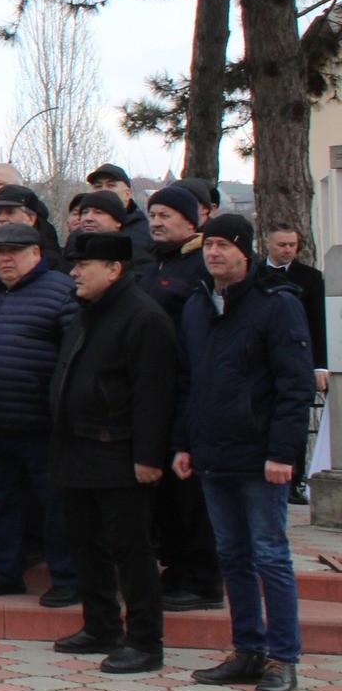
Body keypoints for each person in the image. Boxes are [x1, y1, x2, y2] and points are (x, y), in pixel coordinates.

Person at [173, 214, 312, 691]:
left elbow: (295, 385)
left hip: (261, 458)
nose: (213, 253)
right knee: (231, 555)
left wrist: (283, 452)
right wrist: (184, 443)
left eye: (224, 246)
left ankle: (282, 658)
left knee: (270, 555)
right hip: (213, 453)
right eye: (208, 245)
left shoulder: (277, 304)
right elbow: (189, 382)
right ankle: (247, 649)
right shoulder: (197, 304)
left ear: (245, 252)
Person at [49, 232, 179, 674]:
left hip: (119, 454)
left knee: (131, 550)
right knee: (86, 545)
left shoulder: (144, 317)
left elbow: (155, 394)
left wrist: (148, 457)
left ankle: (144, 642)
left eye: (83, 265)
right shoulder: (88, 310)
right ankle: (100, 626)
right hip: (76, 448)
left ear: (113, 269)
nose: (74, 273)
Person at [0, 224, 80, 604]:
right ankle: (5, 573)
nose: (5, 258)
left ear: (36, 253)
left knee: (57, 506)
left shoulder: (62, 291)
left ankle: (68, 579)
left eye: (14, 251)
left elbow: (73, 357)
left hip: (41, 424)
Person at [136, 184, 222, 613]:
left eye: (165, 215)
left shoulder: (200, 263)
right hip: (157, 390)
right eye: (152, 215)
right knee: (168, 493)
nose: (156, 222)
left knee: (190, 490)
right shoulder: (156, 263)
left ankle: (203, 580)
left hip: (190, 389)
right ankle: (176, 568)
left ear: (192, 220)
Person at [262, 223, 329, 505]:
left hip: (299, 359)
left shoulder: (310, 277)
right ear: (268, 243)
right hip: (265, 359)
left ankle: (295, 481)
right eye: (282, 245)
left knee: (295, 421)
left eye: (293, 245)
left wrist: (320, 366)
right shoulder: (256, 274)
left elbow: (318, 322)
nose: (289, 250)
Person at [86, 164, 153, 256]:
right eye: (98, 186)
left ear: (128, 193)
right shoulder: (84, 227)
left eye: (111, 185)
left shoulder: (148, 232)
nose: (104, 190)